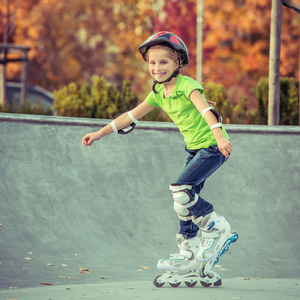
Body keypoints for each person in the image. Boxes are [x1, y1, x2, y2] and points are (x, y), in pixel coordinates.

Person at [82, 31, 234, 278]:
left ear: (177, 64)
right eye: (152, 63)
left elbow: (207, 111)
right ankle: (189, 249)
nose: (157, 67)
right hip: (195, 149)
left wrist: (219, 137)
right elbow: (129, 116)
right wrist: (99, 134)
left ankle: (216, 226)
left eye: (163, 62)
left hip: (212, 146)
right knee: (181, 201)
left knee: (182, 189)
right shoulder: (157, 94)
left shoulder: (187, 86)